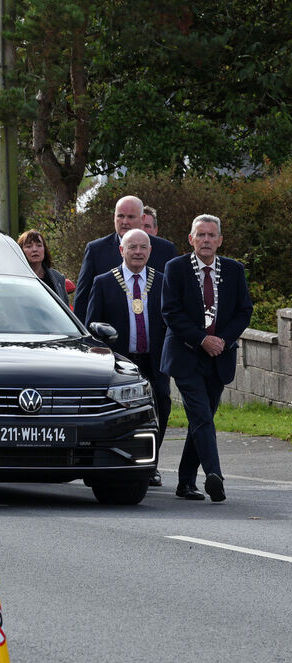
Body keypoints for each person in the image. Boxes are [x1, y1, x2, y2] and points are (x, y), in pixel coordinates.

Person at [161, 214, 252, 503]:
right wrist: (201, 338)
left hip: (219, 356)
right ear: (191, 239)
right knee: (200, 415)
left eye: (212, 235)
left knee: (202, 420)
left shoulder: (235, 271)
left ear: (220, 240)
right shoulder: (175, 268)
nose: (206, 240)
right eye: (200, 235)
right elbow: (171, 312)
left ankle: (185, 482)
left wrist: (222, 341)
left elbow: (243, 310)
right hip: (186, 355)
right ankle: (215, 476)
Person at [85, 228, 170, 486]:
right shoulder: (104, 282)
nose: (138, 252)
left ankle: (151, 464)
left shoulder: (162, 280)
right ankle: (119, 461)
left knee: (161, 405)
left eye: (143, 247)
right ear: (121, 250)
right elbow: (92, 324)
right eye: (132, 247)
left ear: (150, 251)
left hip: (154, 359)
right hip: (121, 362)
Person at [73, 195, 177, 322]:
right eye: (120, 216)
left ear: (142, 218)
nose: (125, 222)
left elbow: (175, 299)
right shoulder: (96, 250)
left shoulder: (165, 249)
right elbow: (82, 300)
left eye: (131, 217)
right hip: (111, 335)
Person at [17, 229, 68, 299]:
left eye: (39, 245)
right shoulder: (14, 278)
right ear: (20, 251)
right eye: (29, 246)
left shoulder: (58, 278)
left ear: (44, 249)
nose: (35, 249)